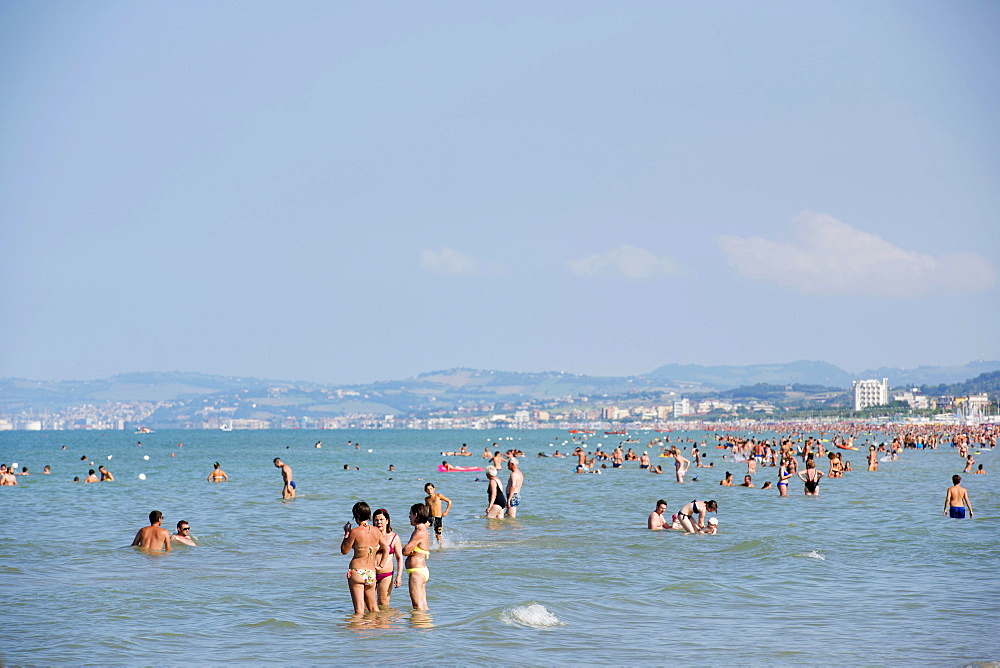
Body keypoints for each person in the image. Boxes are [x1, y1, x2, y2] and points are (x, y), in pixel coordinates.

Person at [341, 501, 388, 614]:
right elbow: (386, 548)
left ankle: (359, 631)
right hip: (371, 572)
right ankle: (375, 629)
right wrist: (381, 565)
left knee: (359, 611)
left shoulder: (354, 532)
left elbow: (344, 550)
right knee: (373, 608)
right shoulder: (376, 531)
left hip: (357, 571)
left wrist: (346, 534)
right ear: (369, 515)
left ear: (355, 516)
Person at [402, 503, 431, 611]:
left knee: (417, 606)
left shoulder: (419, 532)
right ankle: (425, 626)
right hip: (420, 570)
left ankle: (418, 626)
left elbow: (405, 551)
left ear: (416, 515)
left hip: (417, 572)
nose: (409, 517)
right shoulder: (423, 530)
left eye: (410, 514)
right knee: (423, 606)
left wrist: (407, 551)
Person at [373, 508, 403, 607]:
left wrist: (399, 576)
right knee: (366, 605)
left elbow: (399, 558)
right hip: (370, 573)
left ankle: (384, 622)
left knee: (383, 604)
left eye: (381, 519)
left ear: (387, 520)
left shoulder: (394, 537)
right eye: (376, 520)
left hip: (386, 575)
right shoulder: (371, 536)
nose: (379, 522)